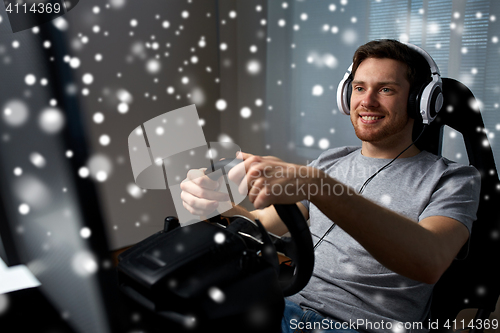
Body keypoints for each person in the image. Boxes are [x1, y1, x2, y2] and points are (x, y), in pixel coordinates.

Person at [180, 39, 480, 333]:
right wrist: (214, 204)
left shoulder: (454, 180)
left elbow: (430, 261)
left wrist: (318, 186)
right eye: (360, 88)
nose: (367, 101)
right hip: (284, 307)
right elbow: (262, 227)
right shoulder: (330, 161)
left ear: (420, 100)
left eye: (386, 89)